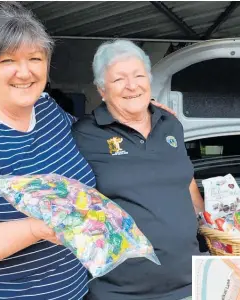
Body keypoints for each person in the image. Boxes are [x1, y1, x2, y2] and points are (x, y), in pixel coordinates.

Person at [0, 2, 174, 299]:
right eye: (7, 61)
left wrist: (131, 115)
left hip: (75, 291)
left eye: (35, 58)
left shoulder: (45, 108)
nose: (24, 72)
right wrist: (35, 229)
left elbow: (91, 137)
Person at [72, 40, 205, 300]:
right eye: (119, 79)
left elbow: (185, 181)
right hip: (118, 291)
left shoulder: (171, 125)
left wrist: (210, 222)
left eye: (138, 75)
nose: (132, 85)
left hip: (188, 286)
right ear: (102, 90)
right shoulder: (84, 134)